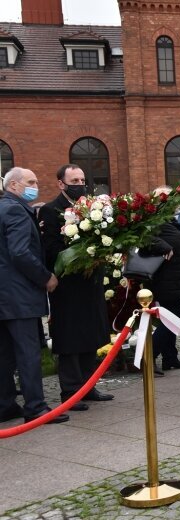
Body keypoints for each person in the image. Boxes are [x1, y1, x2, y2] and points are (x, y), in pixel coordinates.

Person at [40, 164, 113, 411]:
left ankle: (88, 386)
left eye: (82, 178)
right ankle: (70, 392)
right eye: (74, 179)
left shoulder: (92, 207)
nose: (80, 183)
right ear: (61, 183)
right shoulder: (51, 211)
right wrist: (79, 256)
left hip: (90, 282)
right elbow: (50, 249)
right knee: (71, 337)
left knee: (91, 334)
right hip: (68, 285)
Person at [0, 167, 68, 424]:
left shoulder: (4, 208)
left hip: (5, 296)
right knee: (28, 353)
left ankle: (5, 404)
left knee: (4, 354)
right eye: (30, 182)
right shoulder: (16, 210)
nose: (35, 185)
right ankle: (36, 407)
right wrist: (45, 277)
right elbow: (20, 253)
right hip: (19, 297)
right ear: (14, 186)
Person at [145, 186, 180, 372]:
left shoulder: (170, 220)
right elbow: (144, 238)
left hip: (176, 278)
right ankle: (148, 356)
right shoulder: (153, 220)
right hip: (165, 279)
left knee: (172, 320)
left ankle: (169, 357)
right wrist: (163, 246)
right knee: (172, 320)